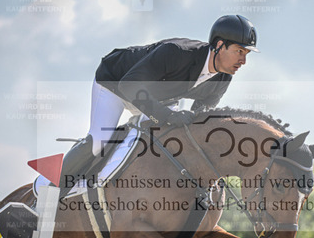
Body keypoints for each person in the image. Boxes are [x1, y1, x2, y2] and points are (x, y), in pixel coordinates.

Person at [58, 14, 259, 186]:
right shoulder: (177, 52)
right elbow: (128, 86)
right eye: (239, 51)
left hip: (158, 98)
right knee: (99, 141)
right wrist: (168, 116)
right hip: (116, 83)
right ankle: (49, 187)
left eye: (246, 54)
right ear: (220, 45)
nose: (243, 61)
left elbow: (199, 118)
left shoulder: (223, 78)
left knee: (170, 141)